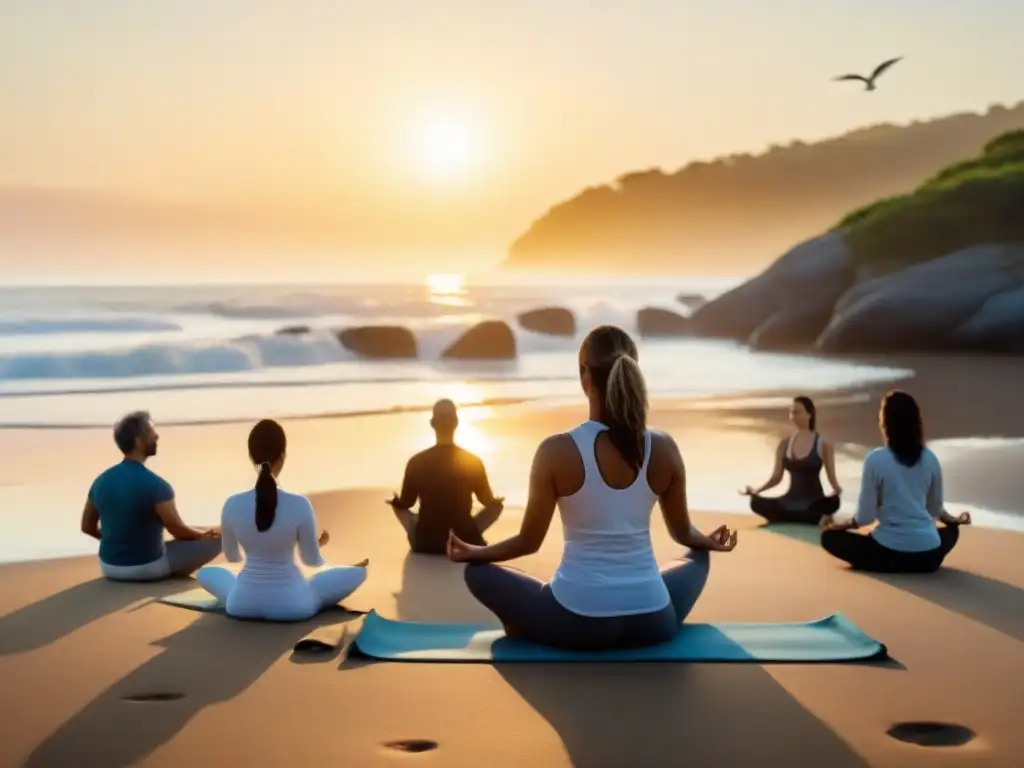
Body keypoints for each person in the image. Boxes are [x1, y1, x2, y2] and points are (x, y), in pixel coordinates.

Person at [447, 325, 738, 652]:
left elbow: (529, 542)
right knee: (698, 557)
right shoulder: (665, 448)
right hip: (655, 620)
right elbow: (684, 533)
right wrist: (708, 542)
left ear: (584, 373)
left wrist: (476, 552)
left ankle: (529, 626)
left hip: (577, 622)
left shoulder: (557, 451)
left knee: (478, 574)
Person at [197, 419, 367, 621]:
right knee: (358, 573)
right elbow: (312, 561)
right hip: (294, 605)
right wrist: (315, 544)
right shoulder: (299, 504)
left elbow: (233, 556)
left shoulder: (232, 504)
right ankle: (352, 571)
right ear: (283, 456)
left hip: (241, 603)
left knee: (206, 573)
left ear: (251, 456)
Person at [820, 390, 970, 573]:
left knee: (829, 537)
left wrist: (837, 526)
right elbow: (935, 510)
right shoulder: (930, 459)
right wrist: (954, 520)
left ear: (886, 423)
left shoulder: (875, 459)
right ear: (917, 422)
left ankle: (884, 559)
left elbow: (864, 518)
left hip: (888, 555)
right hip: (929, 558)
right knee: (952, 532)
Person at [82, 410, 222, 581]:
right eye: (151, 432)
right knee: (221, 537)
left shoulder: (100, 482)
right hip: (146, 567)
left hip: (109, 567)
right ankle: (172, 569)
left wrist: (118, 540)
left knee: (197, 529)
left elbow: (87, 527)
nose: (157, 437)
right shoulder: (156, 485)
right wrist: (204, 536)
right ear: (139, 442)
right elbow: (177, 530)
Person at [387, 399, 505, 555]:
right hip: (463, 539)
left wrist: (396, 502)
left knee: (400, 509)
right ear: (456, 423)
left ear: (432, 423)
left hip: (426, 543)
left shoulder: (416, 462)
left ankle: (445, 532)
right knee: (496, 508)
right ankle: (466, 536)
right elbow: (488, 501)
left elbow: (406, 503)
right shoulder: (472, 461)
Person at [740, 396, 842, 524]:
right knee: (756, 502)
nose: (793, 416)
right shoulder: (785, 444)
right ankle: (802, 516)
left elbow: (832, 479)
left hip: (813, 502)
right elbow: (776, 478)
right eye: (791, 412)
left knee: (831, 503)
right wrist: (756, 491)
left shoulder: (823, 443)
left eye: (797, 412)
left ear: (809, 414)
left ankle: (813, 515)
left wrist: (836, 490)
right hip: (789, 502)